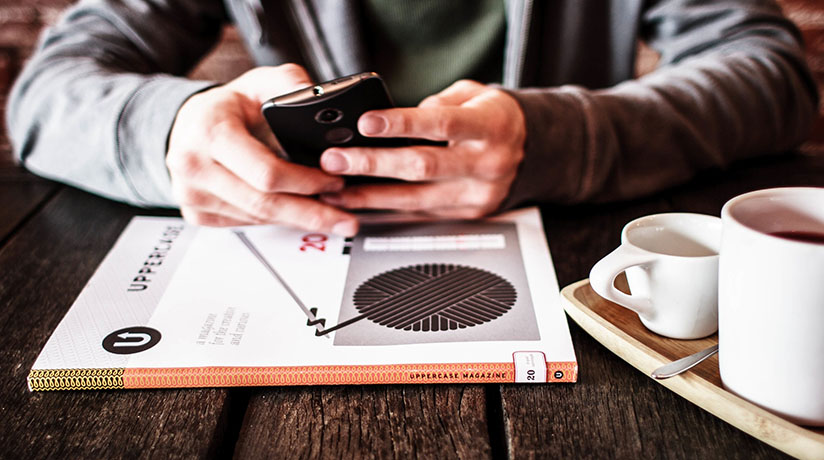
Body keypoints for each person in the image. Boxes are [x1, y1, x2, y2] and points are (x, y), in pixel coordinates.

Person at [6, 0, 818, 237]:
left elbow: (771, 70)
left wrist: (556, 141)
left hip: (580, 253)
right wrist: (170, 130)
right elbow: (49, 92)